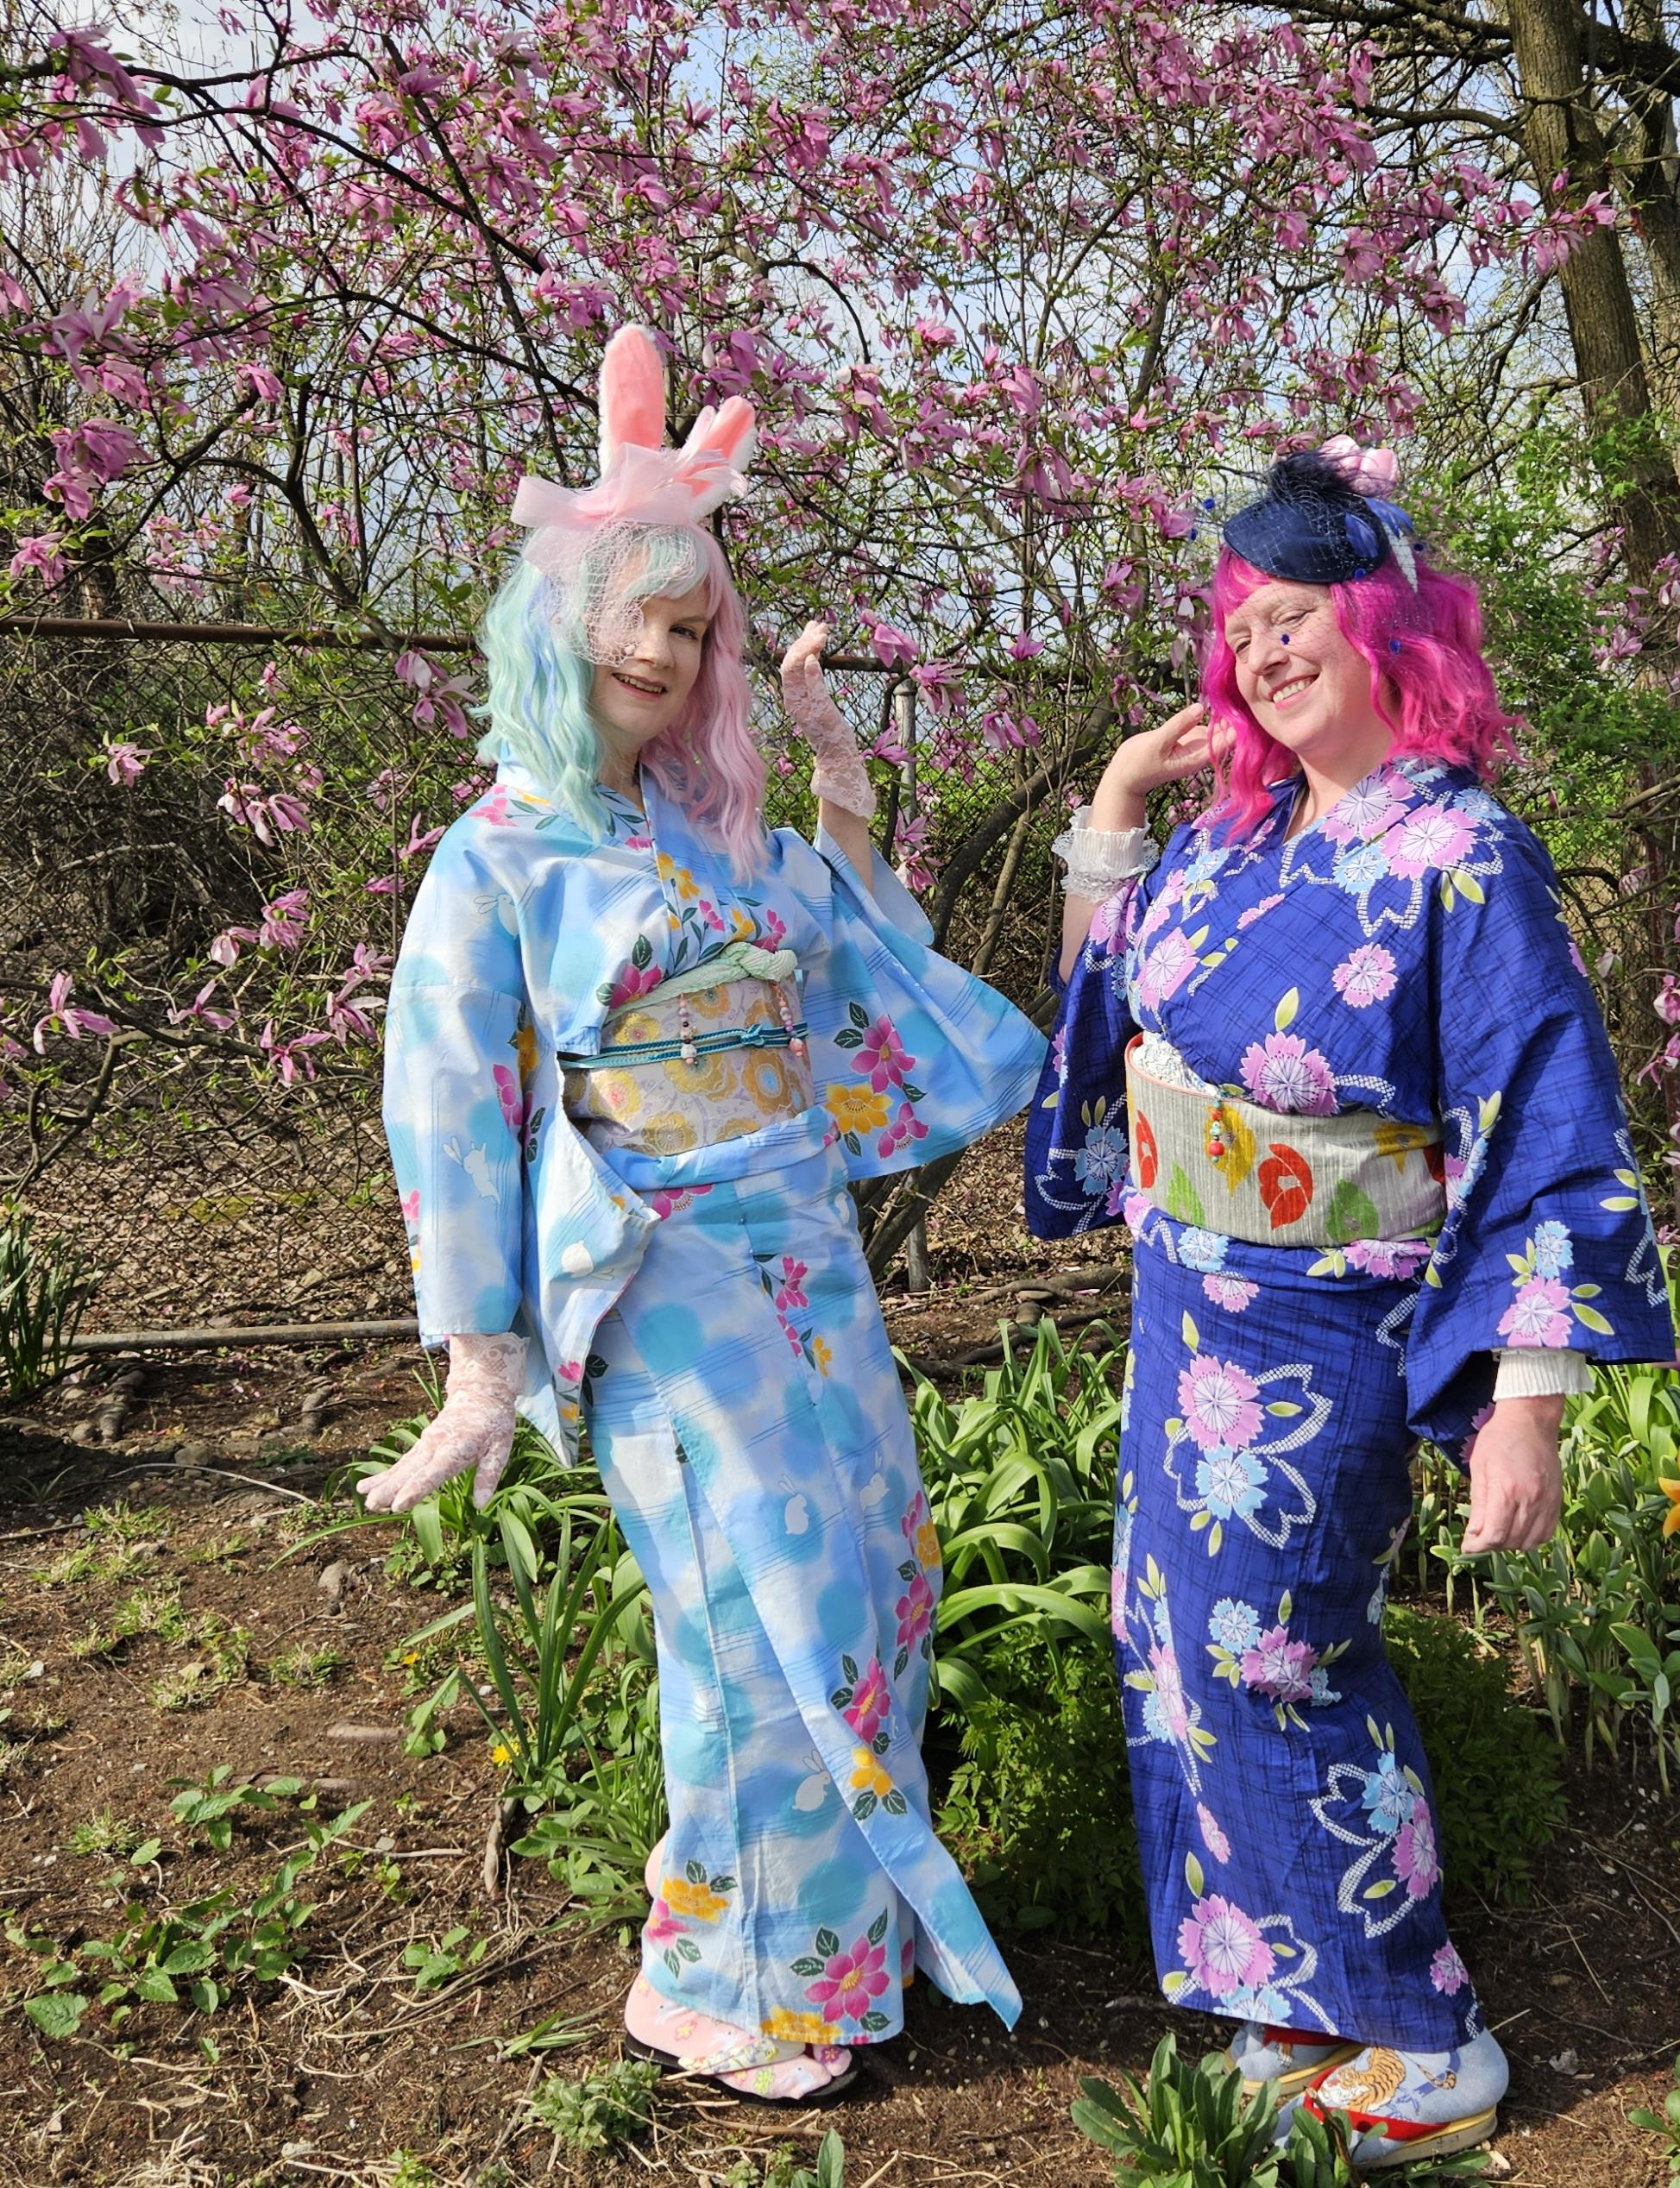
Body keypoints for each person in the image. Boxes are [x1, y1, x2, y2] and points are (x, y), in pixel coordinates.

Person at [364, 324, 1043, 2102]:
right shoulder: (501, 851)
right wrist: (479, 1358)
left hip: (806, 1251)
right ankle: (730, 1976)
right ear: (557, 616)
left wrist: (826, 767)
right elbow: (450, 1094)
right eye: (641, 611)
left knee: (881, 1572)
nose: (669, 646)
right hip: (658, 1262)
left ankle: (818, 1944)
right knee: (749, 1606)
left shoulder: (718, 828)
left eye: (696, 619)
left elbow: (857, 958)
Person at [1024, 440, 1674, 2167]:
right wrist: (1107, 816)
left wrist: (1522, 1389)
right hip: (1183, 1307)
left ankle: (1417, 2025)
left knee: (1279, 1649)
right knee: (1175, 1649)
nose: (1261, 652)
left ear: (1390, 626)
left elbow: (1542, 1122)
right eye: (1242, 625)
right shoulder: (1235, 839)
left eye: (1294, 616)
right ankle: (1288, 1995)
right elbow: (1109, 1027)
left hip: (1329, 1336)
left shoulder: (1464, 855)